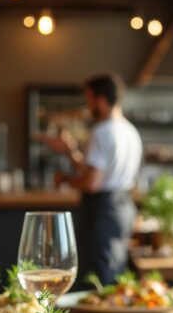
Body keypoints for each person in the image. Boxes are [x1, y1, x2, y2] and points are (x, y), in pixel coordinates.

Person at [38, 74, 142, 284]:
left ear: (101, 100)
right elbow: (93, 170)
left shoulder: (101, 132)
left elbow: (92, 182)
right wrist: (69, 151)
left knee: (97, 276)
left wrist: (65, 180)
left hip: (101, 208)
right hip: (124, 206)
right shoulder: (130, 131)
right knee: (115, 269)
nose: (88, 106)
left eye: (89, 100)